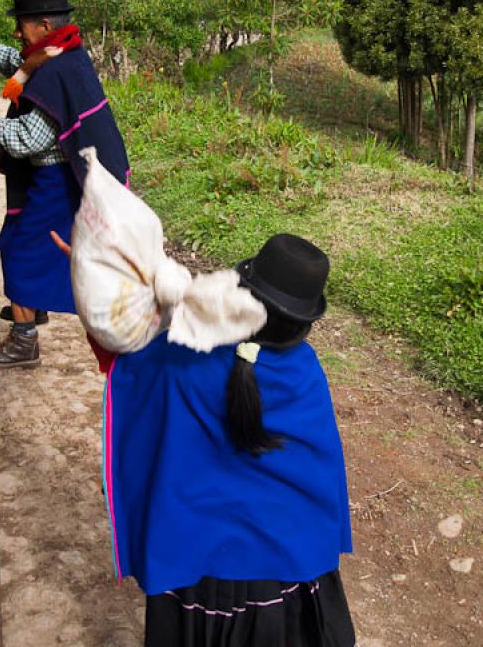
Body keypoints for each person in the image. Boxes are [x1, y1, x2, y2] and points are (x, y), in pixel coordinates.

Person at [57, 228, 356, 647]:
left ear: (241, 291)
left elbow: (117, 350)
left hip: (192, 565)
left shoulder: (179, 352)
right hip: (284, 569)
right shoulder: (305, 371)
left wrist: (91, 278)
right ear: (301, 325)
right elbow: (320, 472)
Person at [0, 0, 129, 368]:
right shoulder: (62, 52)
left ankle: (25, 340)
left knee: (19, 250)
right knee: (28, 245)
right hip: (63, 177)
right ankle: (31, 308)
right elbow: (21, 64)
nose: (16, 30)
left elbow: (27, 140)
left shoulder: (54, 70)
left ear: (43, 25)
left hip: (59, 183)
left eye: (22, 22)